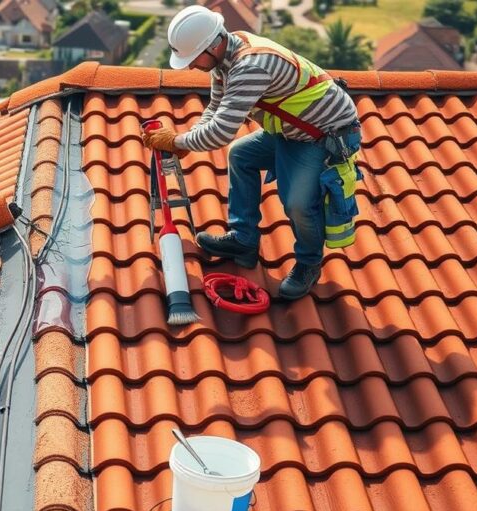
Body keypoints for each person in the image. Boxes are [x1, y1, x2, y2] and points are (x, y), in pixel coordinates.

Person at [142, 5, 362, 299]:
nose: (192, 66)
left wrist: (180, 142)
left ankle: (309, 263)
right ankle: (244, 239)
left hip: (322, 135)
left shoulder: (250, 66)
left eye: (193, 59)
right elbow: (215, 109)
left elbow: (221, 130)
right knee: (241, 155)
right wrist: (185, 141)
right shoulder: (225, 58)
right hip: (291, 132)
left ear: (212, 45)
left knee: (297, 202)